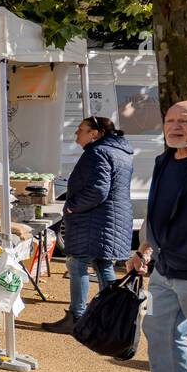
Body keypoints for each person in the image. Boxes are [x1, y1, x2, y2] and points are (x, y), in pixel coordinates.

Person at [126, 100, 187, 372]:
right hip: (165, 272)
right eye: (170, 120)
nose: (175, 127)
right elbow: (155, 211)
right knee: (160, 335)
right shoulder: (164, 161)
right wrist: (143, 249)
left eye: (186, 120)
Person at [42, 116, 134, 333]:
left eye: (80, 130)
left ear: (95, 133)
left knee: (77, 264)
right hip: (110, 218)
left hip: (95, 219)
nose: (76, 134)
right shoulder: (121, 152)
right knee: (103, 265)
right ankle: (109, 317)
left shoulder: (97, 152)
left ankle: (77, 317)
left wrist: (72, 206)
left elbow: (98, 190)